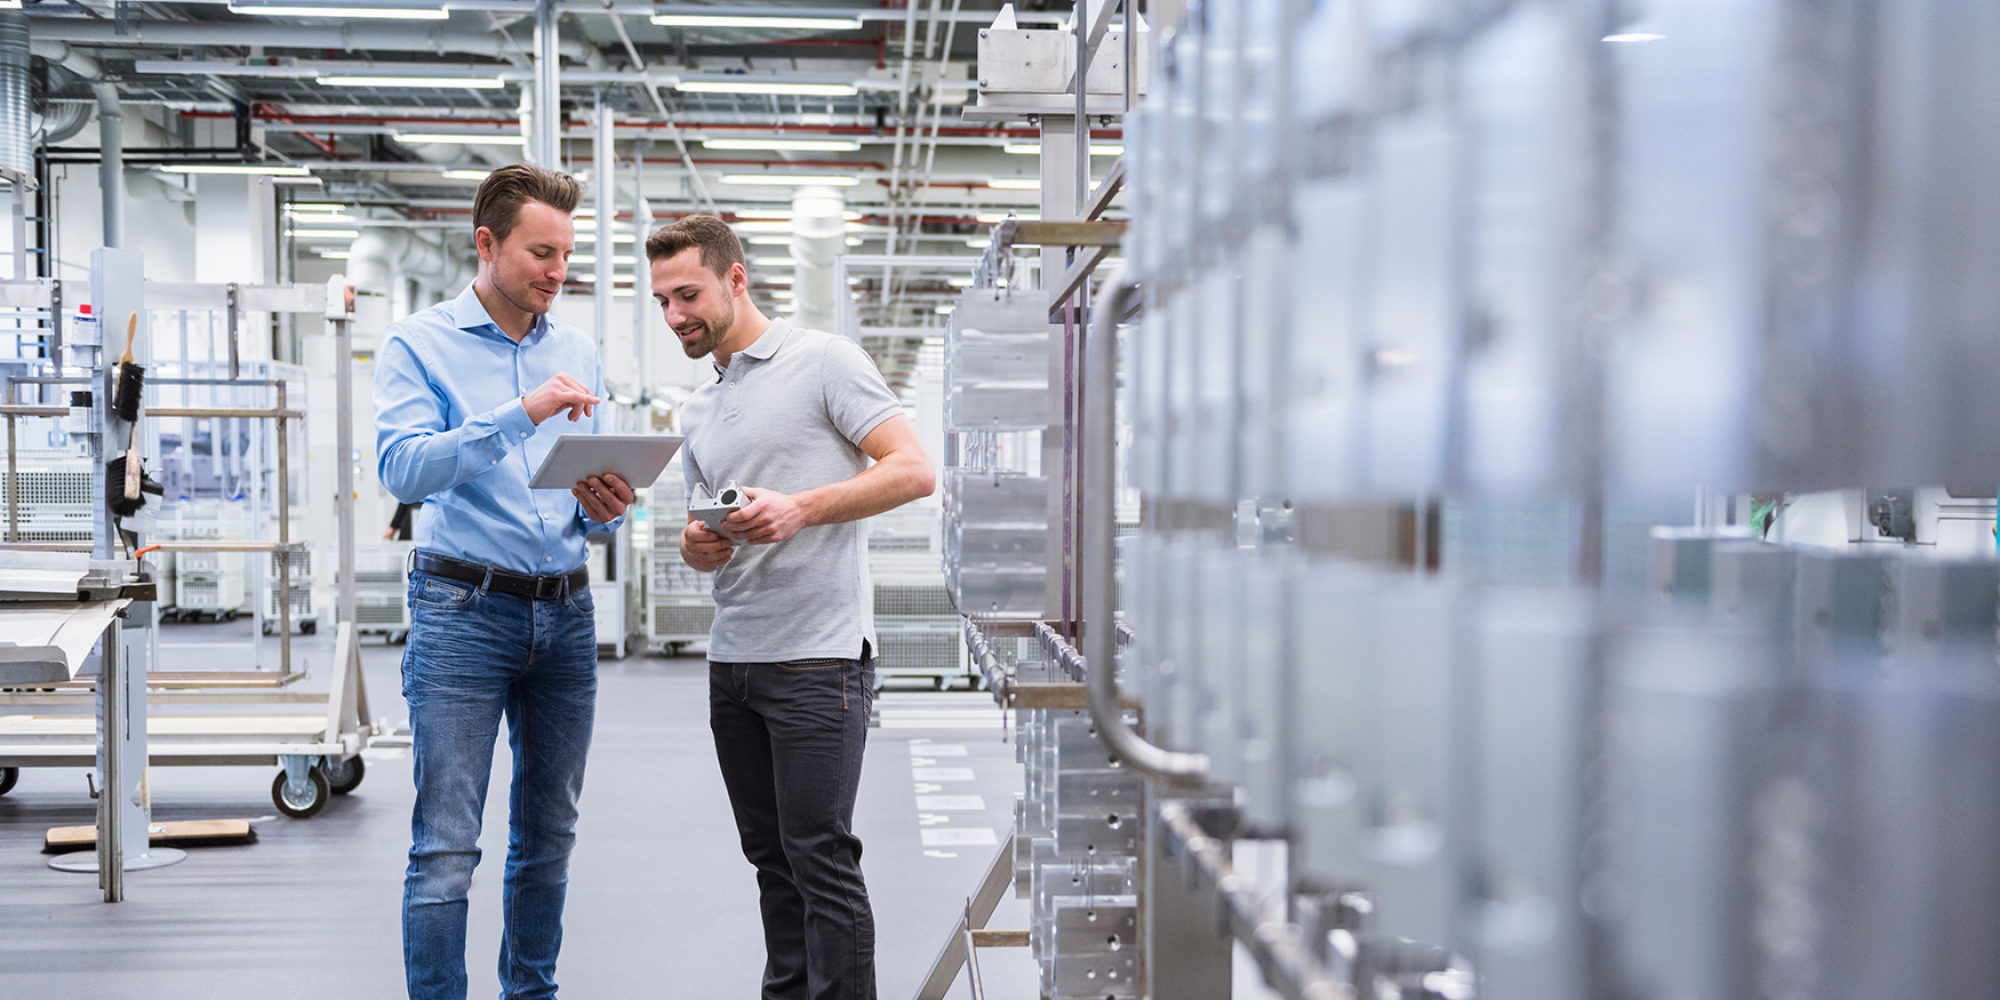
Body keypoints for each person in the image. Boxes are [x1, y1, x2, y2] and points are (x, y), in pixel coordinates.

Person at [650, 214, 935, 1000]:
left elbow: (912, 470)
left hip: (818, 660)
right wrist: (697, 546)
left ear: (735, 279)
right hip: (733, 662)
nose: (676, 316)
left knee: (819, 857)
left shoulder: (824, 362)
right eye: (662, 302)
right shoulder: (699, 410)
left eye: (688, 295)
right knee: (771, 861)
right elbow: (697, 528)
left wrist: (801, 509)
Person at [374, 163, 634, 1000]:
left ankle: (532, 994)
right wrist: (517, 414)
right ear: (486, 245)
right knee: (447, 843)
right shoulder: (420, 343)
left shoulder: (578, 346)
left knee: (549, 833)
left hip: (565, 611)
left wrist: (607, 506)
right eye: (540, 253)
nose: (557, 272)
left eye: (566, 254)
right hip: (462, 610)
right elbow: (404, 469)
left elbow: (585, 494)